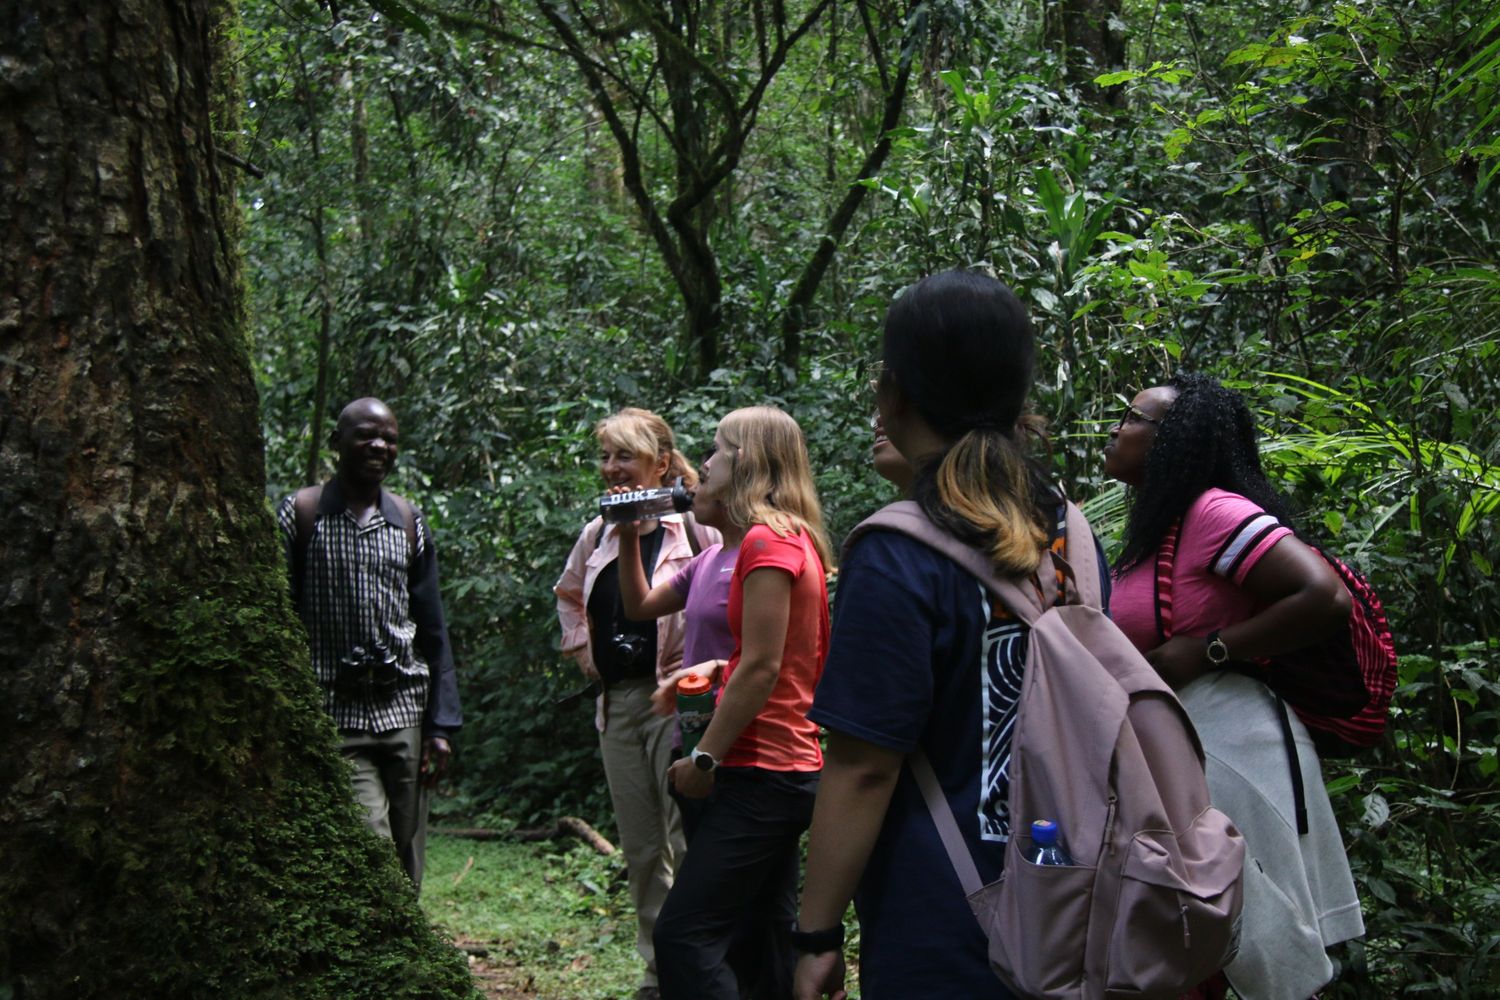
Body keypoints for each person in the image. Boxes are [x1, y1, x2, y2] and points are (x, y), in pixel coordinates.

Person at [794, 269, 1106, 999]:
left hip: (943, 918)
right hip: (1071, 896)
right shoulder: (1069, 529)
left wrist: (814, 934)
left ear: (894, 394)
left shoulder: (898, 547)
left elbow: (864, 766)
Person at [1102, 373, 1364, 1000]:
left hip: (1233, 745)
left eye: (1134, 418)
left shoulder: (1214, 511)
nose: (1117, 429)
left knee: (1254, 939)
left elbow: (1324, 596)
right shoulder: (1157, 531)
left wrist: (1208, 649)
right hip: (1184, 744)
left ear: (1175, 441)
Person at [652, 406, 833, 1000]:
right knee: (762, 935)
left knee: (685, 936)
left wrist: (704, 758)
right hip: (778, 767)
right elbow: (776, 656)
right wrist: (710, 667)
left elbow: (763, 666)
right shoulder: (792, 534)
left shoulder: (767, 539)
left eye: (718, 449)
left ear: (747, 460)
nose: (704, 463)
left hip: (762, 769)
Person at [554, 407, 719, 1000]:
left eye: (625, 455)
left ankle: (697, 968)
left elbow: (722, 598)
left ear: (662, 463)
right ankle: (657, 974)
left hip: (678, 702)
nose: (612, 468)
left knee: (685, 839)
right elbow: (569, 597)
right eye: (606, 456)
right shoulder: (596, 534)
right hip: (618, 704)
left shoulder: (696, 531)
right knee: (642, 847)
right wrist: (587, 656)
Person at [276, 397, 462, 893]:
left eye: (389, 438)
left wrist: (441, 725)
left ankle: (408, 954)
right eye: (365, 434)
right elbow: (280, 614)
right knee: (369, 840)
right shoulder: (302, 515)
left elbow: (432, 628)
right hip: (333, 709)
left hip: (404, 709)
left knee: (407, 845)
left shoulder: (407, 520)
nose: (378, 445)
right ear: (338, 443)